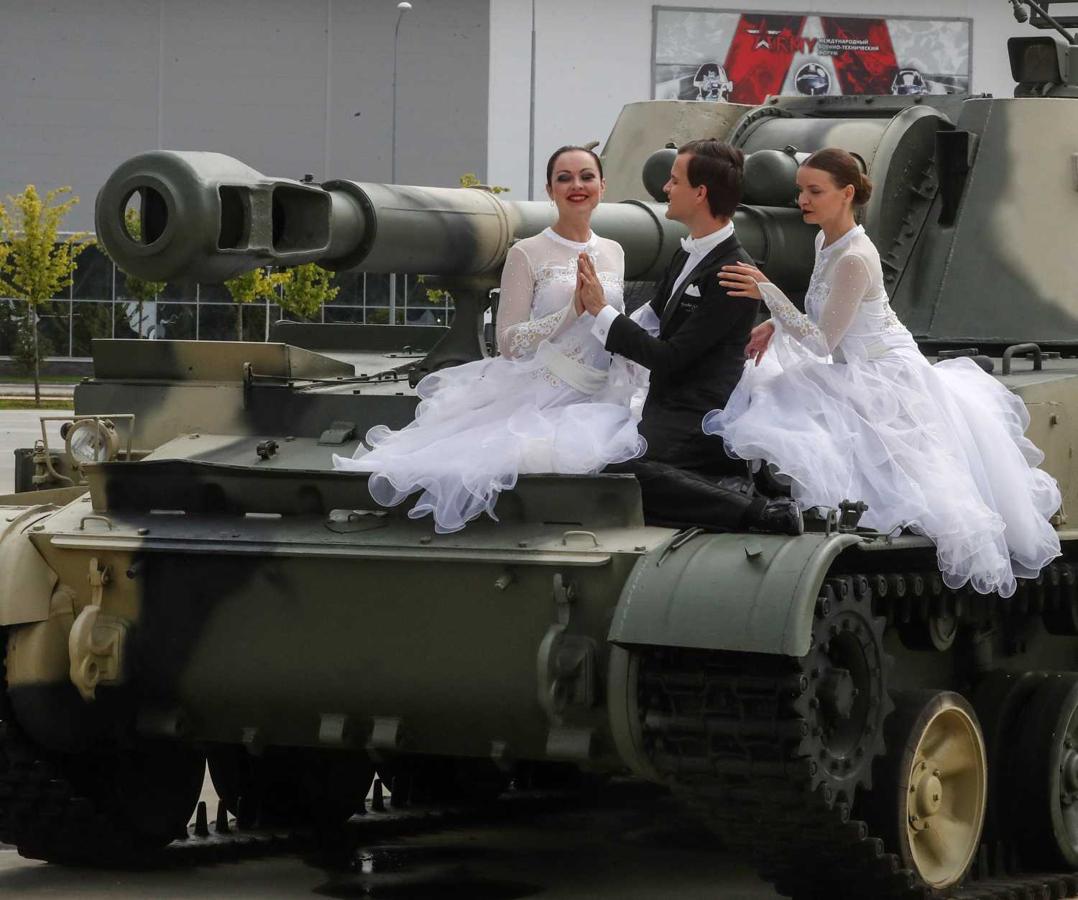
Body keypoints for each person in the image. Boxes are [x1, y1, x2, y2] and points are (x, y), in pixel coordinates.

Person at [706, 147, 1061, 597]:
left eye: (815, 191)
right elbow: (825, 311)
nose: (803, 201)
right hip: (852, 363)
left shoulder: (854, 256)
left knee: (788, 392)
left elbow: (821, 342)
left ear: (846, 193)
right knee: (778, 387)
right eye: (800, 190)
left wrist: (767, 290)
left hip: (881, 372)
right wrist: (775, 322)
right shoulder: (825, 240)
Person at [332, 146, 645, 533]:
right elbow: (510, 341)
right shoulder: (526, 252)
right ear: (550, 189)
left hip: (602, 393)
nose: (576, 186)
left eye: (586, 176)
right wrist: (571, 313)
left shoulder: (614, 252)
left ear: (602, 185)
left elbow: (614, 326)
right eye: (564, 178)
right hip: (544, 396)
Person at [577, 138, 802, 535]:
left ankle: (755, 512)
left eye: (674, 180)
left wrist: (602, 312)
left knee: (618, 471)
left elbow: (669, 357)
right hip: (661, 402)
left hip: (699, 418)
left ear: (700, 193)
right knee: (587, 454)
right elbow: (651, 320)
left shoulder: (733, 272)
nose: (666, 188)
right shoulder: (686, 254)